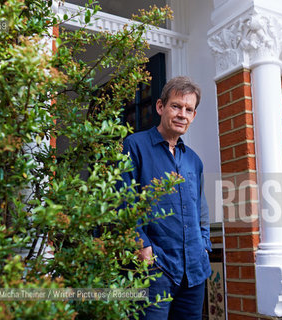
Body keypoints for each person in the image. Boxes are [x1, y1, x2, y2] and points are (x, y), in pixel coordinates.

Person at [121, 76, 211, 320]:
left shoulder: (194, 160)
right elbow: (124, 200)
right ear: (160, 107)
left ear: (193, 116)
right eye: (176, 106)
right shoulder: (134, 146)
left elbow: (200, 209)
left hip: (193, 271)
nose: (182, 114)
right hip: (154, 270)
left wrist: (204, 245)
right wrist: (142, 244)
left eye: (189, 109)